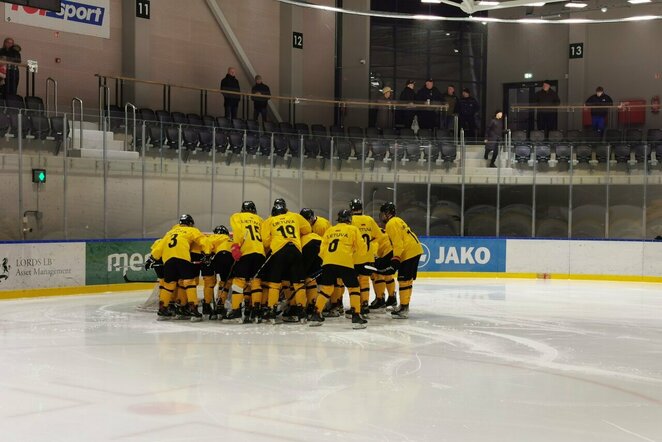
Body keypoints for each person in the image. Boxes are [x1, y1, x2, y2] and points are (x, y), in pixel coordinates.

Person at [309, 209, 368, 329]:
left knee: (326, 288)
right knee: (354, 288)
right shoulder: (353, 229)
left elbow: (321, 251)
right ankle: (356, 315)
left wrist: (328, 261)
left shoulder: (330, 230)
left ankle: (316, 314)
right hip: (345, 262)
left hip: (328, 262)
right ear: (349, 219)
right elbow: (362, 249)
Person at [150, 214, 210, 321]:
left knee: (169, 284)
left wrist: (152, 258)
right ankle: (193, 309)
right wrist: (207, 253)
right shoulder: (192, 230)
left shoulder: (170, 232)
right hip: (182, 258)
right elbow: (203, 241)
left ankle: (162, 309)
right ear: (190, 223)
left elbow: (160, 247)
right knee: (189, 282)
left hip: (168, 260)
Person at [261, 203, 312, 323]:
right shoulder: (294, 216)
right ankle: (301, 311)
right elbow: (308, 229)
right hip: (295, 250)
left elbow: (266, 242)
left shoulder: (269, 220)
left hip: (279, 251)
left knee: (274, 283)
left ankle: (271, 311)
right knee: (298, 283)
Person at [379, 202, 423, 319]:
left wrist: (396, 259)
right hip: (415, 249)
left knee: (403, 280)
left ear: (387, 213)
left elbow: (398, 243)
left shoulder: (391, 223)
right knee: (407, 280)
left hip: (408, 252)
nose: (381, 216)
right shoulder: (398, 220)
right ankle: (404, 305)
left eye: (383, 213)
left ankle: (404, 308)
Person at [227, 201, 266, 322]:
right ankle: (256, 312)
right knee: (256, 282)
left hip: (246, 251)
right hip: (260, 252)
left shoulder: (237, 216)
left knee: (239, 281)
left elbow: (238, 232)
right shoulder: (260, 219)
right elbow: (264, 237)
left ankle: (236, 311)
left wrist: (235, 246)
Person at [349, 198, 384, 318]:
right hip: (368, 257)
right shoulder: (369, 219)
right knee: (364, 281)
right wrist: (370, 244)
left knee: (353, 283)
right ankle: (364, 305)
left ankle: (355, 306)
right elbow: (379, 236)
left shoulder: (350, 220)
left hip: (353, 257)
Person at [204, 225, 234, 319]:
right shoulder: (230, 239)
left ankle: (206, 306)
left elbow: (206, 247)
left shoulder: (212, 237)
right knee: (226, 282)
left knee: (210, 282)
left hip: (217, 257)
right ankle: (220, 304)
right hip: (230, 258)